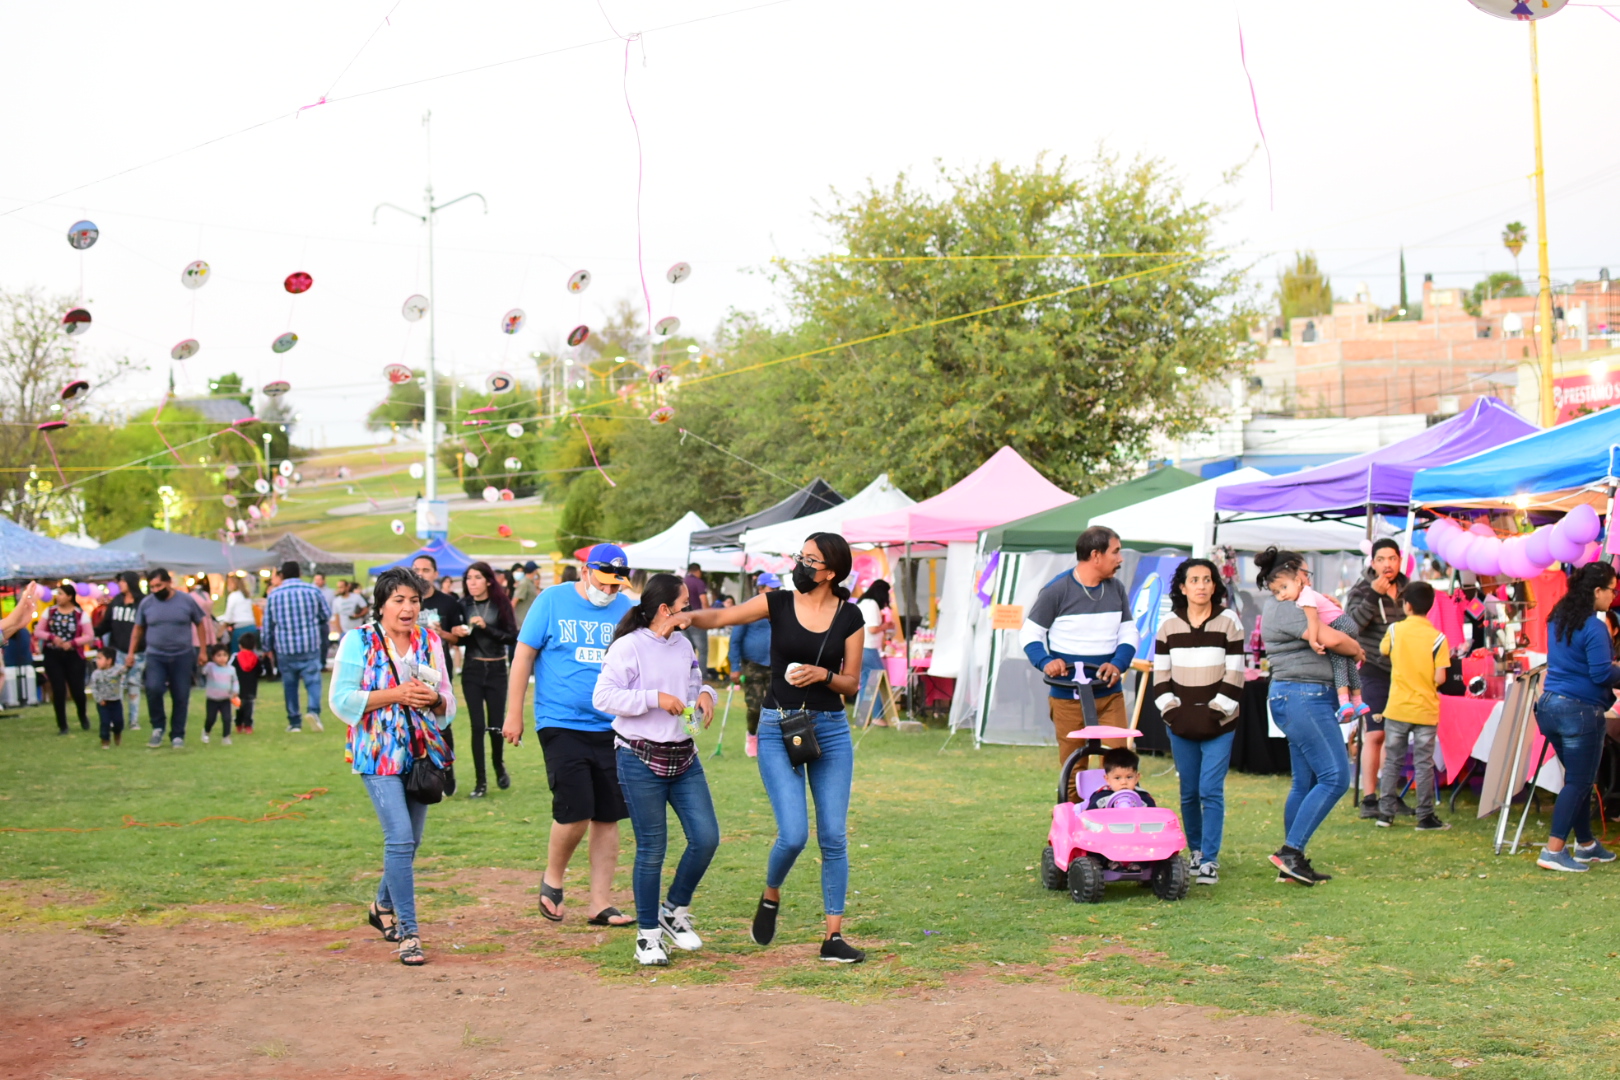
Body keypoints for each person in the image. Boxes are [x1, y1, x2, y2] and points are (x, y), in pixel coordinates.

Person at [685, 532, 868, 964]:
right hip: (776, 729)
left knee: (834, 836)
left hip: (830, 731)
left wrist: (822, 676)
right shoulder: (777, 602)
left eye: (811, 560)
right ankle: (771, 894)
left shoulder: (851, 616)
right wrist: (679, 617)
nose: (802, 565)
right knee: (794, 835)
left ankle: (833, 937)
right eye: (801, 557)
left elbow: (852, 683)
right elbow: (720, 617)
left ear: (832, 572)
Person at [501, 543, 635, 927]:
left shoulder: (626, 610)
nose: (609, 591)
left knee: (608, 815)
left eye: (616, 585)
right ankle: (553, 878)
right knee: (576, 808)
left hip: (613, 725)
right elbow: (524, 656)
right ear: (585, 571)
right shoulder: (551, 601)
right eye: (605, 582)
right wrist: (514, 714)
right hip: (560, 721)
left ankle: (600, 902)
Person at [330, 566, 456, 967]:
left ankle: (381, 905)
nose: (408, 608)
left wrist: (432, 699)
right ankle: (410, 932)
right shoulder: (359, 641)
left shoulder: (430, 641)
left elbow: (448, 705)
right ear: (381, 605)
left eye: (415, 601)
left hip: (421, 755)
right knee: (400, 839)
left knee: (411, 843)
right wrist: (395, 694)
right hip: (378, 754)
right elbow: (342, 699)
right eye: (399, 600)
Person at [593, 573, 720, 967]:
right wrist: (653, 698)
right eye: (686, 604)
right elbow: (603, 697)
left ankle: (673, 910)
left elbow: (695, 681)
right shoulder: (628, 647)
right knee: (652, 848)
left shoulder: (682, 645)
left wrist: (705, 695)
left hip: (684, 754)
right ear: (666, 609)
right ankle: (647, 936)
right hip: (638, 756)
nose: (691, 610)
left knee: (706, 838)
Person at [1257, 548, 1365, 885]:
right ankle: (1291, 851)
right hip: (1304, 696)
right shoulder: (1286, 607)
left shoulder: (1294, 604)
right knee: (1335, 777)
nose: (1308, 580)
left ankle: (1292, 863)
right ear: (1292, 572)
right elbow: (1336, 640)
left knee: (1304, 782)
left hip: (1299, 696)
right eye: (1307, 573)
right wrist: (1356, 648)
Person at [1020, 526, 1139, 790]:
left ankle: (1116, 818)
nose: (1120, 559)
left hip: (1109, 695)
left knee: (1121, 766)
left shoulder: (1117, 590)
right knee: (1074, 770)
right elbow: (1029, 633)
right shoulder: (1056, 590)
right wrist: (1045, 661)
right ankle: (1075, 825)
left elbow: (1130, 633)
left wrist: (1118, 663)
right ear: (1095, 555)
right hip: (1068, 697)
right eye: (1116, 552)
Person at [1151, 557, 1244, 886]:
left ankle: (1210, 859)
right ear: (1182, 587)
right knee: (1189, 791)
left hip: (1220, 723)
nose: (1202, 586)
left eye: (1207, 579)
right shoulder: (1168, 626)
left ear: (1215, 585)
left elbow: (1235, 674)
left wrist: (1215, 711)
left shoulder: (1229, 622)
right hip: (1180, 724)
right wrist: (1173, 712)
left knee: (1210, 790)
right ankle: (1195, 851)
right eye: (1195, 580)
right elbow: (1160, 677)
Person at [1532, 562, 1620, 872]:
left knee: (1578, 780)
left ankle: (1585, 845)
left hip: (1551, 706)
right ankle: (1554, 850)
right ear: (1597, 591)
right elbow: (1600, 673)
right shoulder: (1594, 625)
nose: (1613, 596)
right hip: (1580, 711)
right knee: (1580, 782)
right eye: (1612, 590)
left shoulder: (1559, 618)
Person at [1373, 581, 1451, 831]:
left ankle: (1385, 814)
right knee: (1424, 763)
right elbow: (1441, 678)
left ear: (1406, 605)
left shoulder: (1395, 631)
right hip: (1425, 709)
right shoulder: (1438, 638)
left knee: (1393, 760)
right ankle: (1425, 817)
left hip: (1397, 707)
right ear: (1430, 606)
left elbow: (1383, 650)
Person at [1346, 538, 1410, 818]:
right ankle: (1369, 798)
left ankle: (1389, 796)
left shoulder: (1408, 589)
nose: (1387, 564)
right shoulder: (1361, 589)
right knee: (1376, 733)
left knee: (1397, 736)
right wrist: (1373, 595)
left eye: (1392, 559)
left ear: (1399, 561)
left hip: (1404, 671)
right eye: (1381, 559)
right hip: (1373, 669)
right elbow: (1351, 626)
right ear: (1373, 563)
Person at [127, 567, 206, 748]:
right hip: (156, 655)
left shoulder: (186, 601)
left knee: (180, 694)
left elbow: (200, 623)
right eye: (152, 587)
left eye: (159, 585)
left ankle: (177, 734)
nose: (155, 590)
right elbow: (138, 629)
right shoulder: (147, 604)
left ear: (169, 582)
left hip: (182, 655)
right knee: (153, 689)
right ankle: (158, 727)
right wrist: (131, 653)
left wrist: (202, 650)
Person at [459, 561, 517, 797]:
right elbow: (459, 639)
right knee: (476, 726)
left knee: (495, 726)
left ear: (488, 581)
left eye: (477, 577)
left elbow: (511, 636)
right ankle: (480, 782)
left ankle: (498, 764)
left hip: (496, 671)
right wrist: (456, 634)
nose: (471, 582)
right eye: (468, 578)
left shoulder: (500, 603)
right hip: (472, 669)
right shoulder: (462, 604)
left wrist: (485, 628)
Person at [262, 560, 333, 734]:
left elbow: (267, 625)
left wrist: (267, 646)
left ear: (282, 575)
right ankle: (313, 711)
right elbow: (326, 615)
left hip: (285, 647)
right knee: (313, 681)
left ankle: (294, 722)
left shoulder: (274, 595)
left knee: (290, 684)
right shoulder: (313, 590)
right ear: (300, 573)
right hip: (310, 644)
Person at [728, 571, 779, 758]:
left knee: (774, 706)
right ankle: (752, 735)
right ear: (760, 589)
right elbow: (735, 640)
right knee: (755, 707)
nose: (776, 591)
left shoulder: (781, 608)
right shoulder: (748, 608)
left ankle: (770, 741)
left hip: (776, 664)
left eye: (778, 588)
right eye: (772, 588)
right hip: (753, 664)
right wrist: (735, 666)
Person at [37, 582, 93, 734]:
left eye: (61, 593)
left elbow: (89, 635)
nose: (57, 596)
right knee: (58, 688)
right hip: (53, 654)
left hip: (73, 655)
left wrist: (74, 643)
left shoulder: (80, 614)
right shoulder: (50, 612)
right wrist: (52, 637)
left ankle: (83, 716)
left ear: (70, 596)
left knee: (77, 689)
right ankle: (62, 725)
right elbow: (38, 631)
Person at [103, 572, 146, 731]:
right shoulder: (116, 601)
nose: (120, 584)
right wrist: (90, 633)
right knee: (116, 686)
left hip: (139, 653)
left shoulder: (143, 602)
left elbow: (145, 628)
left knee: (134, 685)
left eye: (122, 581)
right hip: (117, 650)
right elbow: (106, 624)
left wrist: (134, 651)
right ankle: (116, 719)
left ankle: (133, 720)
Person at [1084, 747, 1158, 809]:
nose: (1124, 782)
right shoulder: (1100, 798)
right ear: (1107, 779)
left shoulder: (1143, 798)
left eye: (1129, 777)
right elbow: (1089, 817)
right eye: (1117, 778)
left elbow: (1154, 816)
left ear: (1136, 778)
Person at [857, 580, 894, 690]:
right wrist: (886, 626)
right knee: (878, 680)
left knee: (866, 679)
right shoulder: (872, 605)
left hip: (860, 646)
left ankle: (864, 707)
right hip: (868, 647)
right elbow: (872, 629)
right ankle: (877, 707)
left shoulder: (863, 603)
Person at [200, 643, 240, 744]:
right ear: (213, 657)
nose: (222, 658)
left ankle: (226, 737)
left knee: (227, 718)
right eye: (218, 655)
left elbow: (235, 681)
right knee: (211, 718)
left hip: (226, 698)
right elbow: (203, 671)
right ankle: (206, 731)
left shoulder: (231, 669)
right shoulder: (211, 667)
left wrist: (235, 691)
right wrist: (203, 664)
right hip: (212, 699)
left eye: (224, 655)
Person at [90, 646, 124, 749]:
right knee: (105, 721)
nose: (97, 661)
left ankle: (117, 733)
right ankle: (105, 740)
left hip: (116, 701)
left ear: (109, 661)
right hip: (103, 703)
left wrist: (129, 664)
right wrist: (99, 699)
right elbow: (94, 687)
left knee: (118, 721)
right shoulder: (96, 674)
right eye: (97, 658)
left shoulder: (117, 670)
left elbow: (125, 670)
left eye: (100, 658)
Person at [681, 562, 710, 672]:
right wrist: (708, 616)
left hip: (682, 619)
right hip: (696, 618)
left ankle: (687, 673)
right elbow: (704, 600)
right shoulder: (699, 582)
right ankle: (702, 674)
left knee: (687, 648)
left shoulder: (682, 582)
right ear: (698, 571)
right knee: (702, 650)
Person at [234, 630, 263, 734]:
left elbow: (231, 671)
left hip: (237, 688)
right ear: (254, 646)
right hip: (251, 687)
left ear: (240, 646)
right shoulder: (256, 658)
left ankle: (238, 724)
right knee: (249, 707)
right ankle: (248, 725)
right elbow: (260, 671)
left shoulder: (236, 658)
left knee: (239, 707)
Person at [221, 575, 258, 652]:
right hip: (252, 626)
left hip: (241, 628)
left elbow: (228, 616)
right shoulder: (246, 595)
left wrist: (220, 631)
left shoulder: (233, 596)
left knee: (237, 652)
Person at [512, 561, 541, 628]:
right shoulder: (524, 583)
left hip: (529, 621)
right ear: (534, 571)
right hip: (523, 622)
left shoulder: (530, 583)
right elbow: (515, 600)